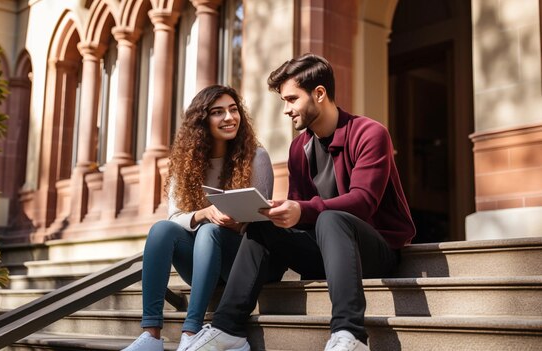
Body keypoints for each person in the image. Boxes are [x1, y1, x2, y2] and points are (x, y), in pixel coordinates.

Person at [186, 54, 416, 351]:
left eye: (292, 99)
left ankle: (350, 335)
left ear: (319, 94)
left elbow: (363, 202)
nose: (286, 109)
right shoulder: (299, 147)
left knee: (331, 218)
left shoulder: (370, 133)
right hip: (322, 252)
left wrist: (304, 209)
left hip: (374, 250)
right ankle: (228, 330)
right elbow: (299, 210)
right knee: (264, 225)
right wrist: (280, 212)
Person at [122, 85, 274, 351]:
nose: (229, 117)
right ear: (202, 122)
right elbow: (174, 216)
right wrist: (204, 213)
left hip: (239, 262)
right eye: (218, 112)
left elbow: (261, 221)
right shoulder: (186, 163)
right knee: (161, 230)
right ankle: (151, 335)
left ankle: (191, 332)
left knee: (210, 231)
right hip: (201, 263)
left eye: (233, 109)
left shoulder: (256, 157)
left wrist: (234, 222)